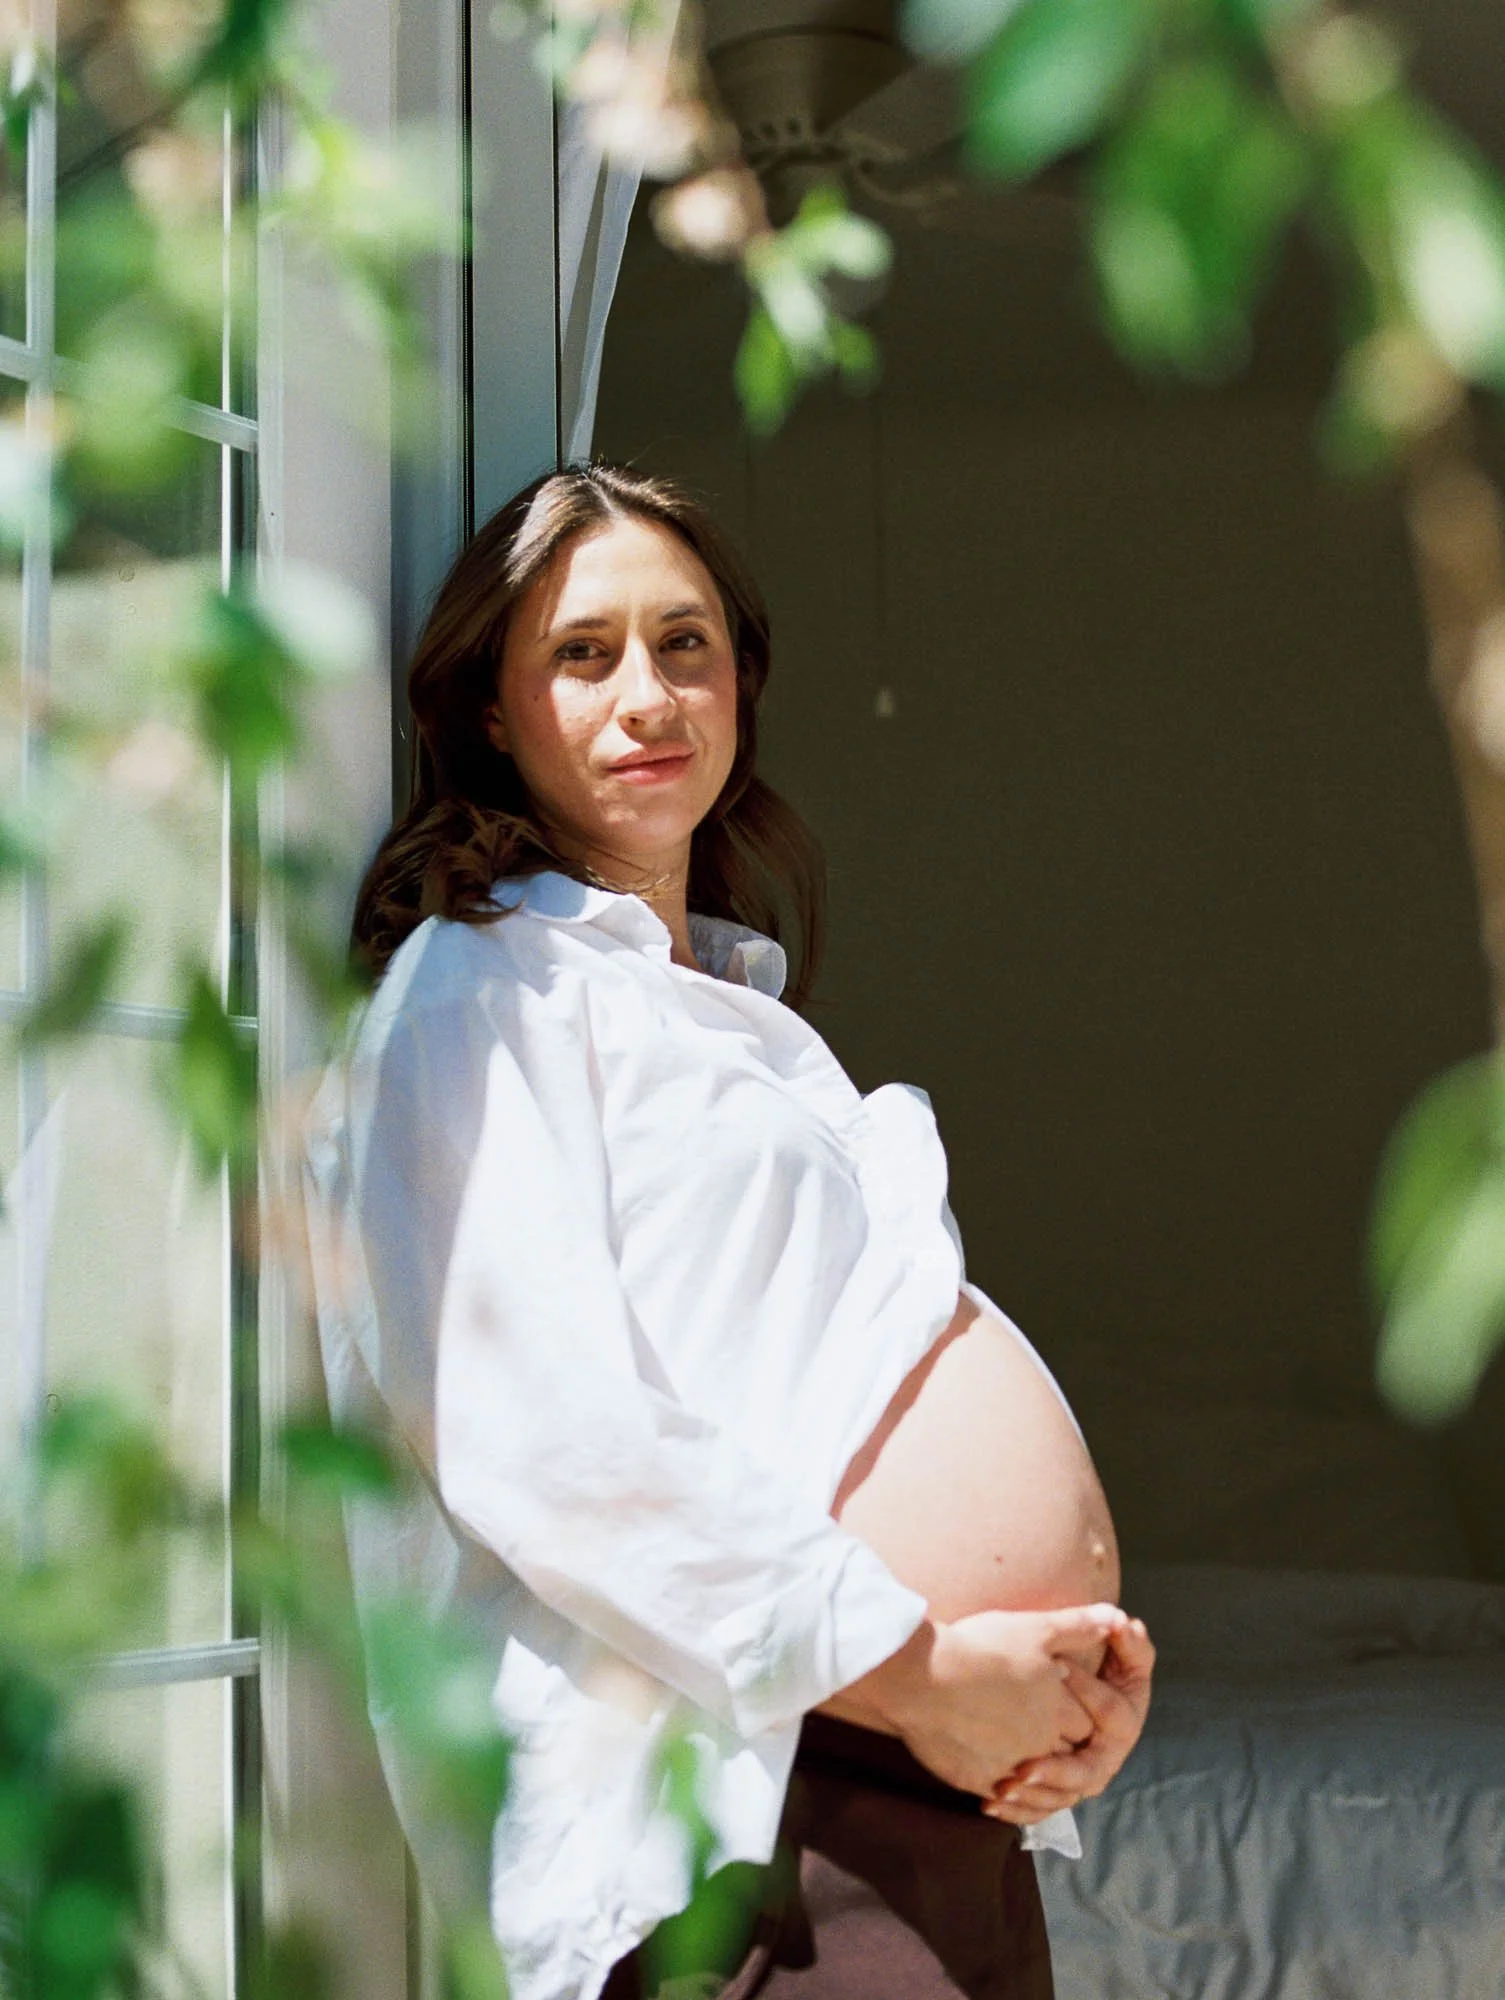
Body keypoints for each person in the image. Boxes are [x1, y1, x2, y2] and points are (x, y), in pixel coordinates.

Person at [300, 461, 1155, 2000]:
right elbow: (546, 1436)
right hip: (742, 1816)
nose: (649, 693)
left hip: (908, 1781)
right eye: (583, 653)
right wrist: (919, 1669)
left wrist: (1049, 1692)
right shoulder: (480, 991)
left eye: (684, 643)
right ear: (491, 710)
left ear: (741, 684)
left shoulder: (723, 1008)